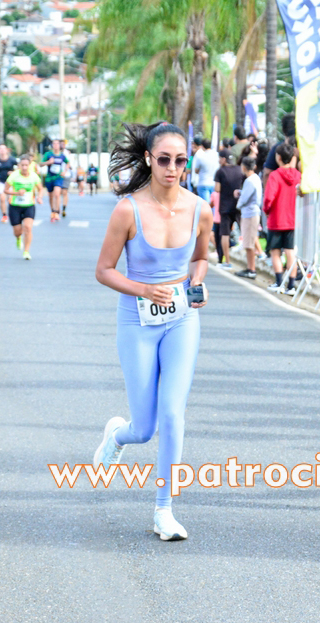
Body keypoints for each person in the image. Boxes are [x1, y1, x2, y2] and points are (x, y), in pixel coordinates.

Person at [93, 121, 213, 541]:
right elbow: (103, 270)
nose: (172, 168)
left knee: (173, 414)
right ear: (148, 158)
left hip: (181, 320)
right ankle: (117, 435)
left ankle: (165, 511)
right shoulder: (128, 210)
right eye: (164, 160)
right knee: (144, 428)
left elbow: (201, 258)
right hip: (137, 322)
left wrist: (197, 284)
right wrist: (143, 288)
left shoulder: (200, 209)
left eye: (180, 160)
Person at [263, 141, 301, 294]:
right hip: (293, 219)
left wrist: (266, 210)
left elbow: (269, 198)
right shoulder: (298, 176)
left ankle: (279, 282)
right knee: (290, 252)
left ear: (278, 157)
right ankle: (291, 285)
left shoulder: (274, 175)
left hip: (277, 219)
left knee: (275, 251)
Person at [3, 154, 43, 260]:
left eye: (26, 165)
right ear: (19, 165)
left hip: (29, 205)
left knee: (28, 227)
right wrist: (16, 193)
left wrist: (39, 197)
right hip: (15, 206)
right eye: (22, 165)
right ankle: (18, 238)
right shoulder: (14, 176)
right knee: (17, 231)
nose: (24, 167)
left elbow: (40, 189)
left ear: (30, 165)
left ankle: (26, 251)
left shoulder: (34, 176)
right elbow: (5, 190)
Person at [213, 149, 244, 270]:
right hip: (238, 205)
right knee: (243, 230)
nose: (218, 161)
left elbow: (217, 189)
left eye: (219, 158)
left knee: (225, 234)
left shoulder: (220, 171)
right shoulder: (239, 169)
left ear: (224, 159)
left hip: (225, 207)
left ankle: (227, 261)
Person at [234, 156, 262, 279]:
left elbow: (244, 199)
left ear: (244, 167)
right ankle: (250, 267)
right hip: (252, 212)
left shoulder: (249, 181)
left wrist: (238, 204)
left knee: (249, 243)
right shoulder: (255, 178)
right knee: (249, 241)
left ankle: (251, 269)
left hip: (250, 213)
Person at [42, 139, 69, 222]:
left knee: (57, 194)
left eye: (57, 144)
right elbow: (41, 164)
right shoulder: (48, 154)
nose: (56, 145)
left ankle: (57, 211)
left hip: (58, 177)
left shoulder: (62, 155)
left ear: (59, 145)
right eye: (54, 143)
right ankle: (52, 211)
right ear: (52, 145)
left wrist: (65, 171)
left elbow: (68, 163)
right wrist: (48, 162)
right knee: (50, 196)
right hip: (49, 178)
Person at [0, 144, 18, 222]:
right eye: (0, 149)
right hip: (1, 182)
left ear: (7, 150)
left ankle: (12, 213)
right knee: (2, 198)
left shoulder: (12, 160)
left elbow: (19, 168)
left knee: (10, 199)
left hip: (11, 182)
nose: (2, 150)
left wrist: (13, 172)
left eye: (3, 149)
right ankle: (4, 215)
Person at [191, 137, 218, 203]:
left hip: (203, 183)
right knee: (213, 203)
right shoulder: (216, 155)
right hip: (213, 183)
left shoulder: (200, 156)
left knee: (205, 204)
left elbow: (196, 170)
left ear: (202, 146)